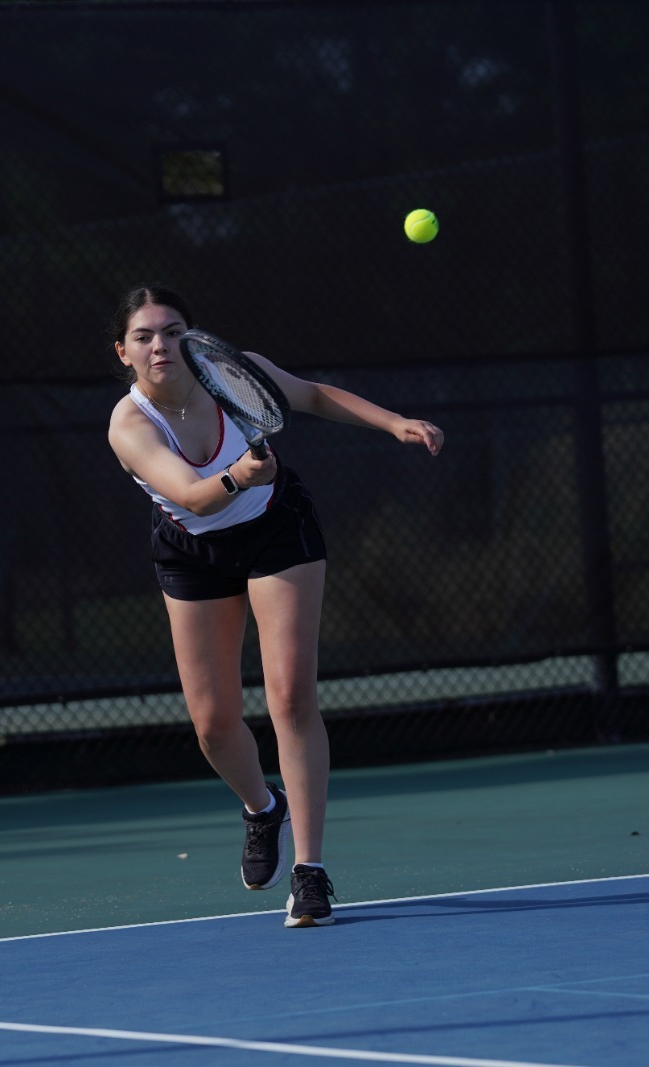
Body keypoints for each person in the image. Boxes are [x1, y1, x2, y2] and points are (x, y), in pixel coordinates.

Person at [106, 285, 444, 927]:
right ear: (123, 351)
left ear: (191, 337)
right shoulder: (129, 425)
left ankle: (310, 874)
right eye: (145, 336)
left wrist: (391, 422)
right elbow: (194, 496)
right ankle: (264, 807)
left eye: (173, 330)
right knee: (213, 726)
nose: (161, 345)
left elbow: (313, 394)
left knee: (291, 697)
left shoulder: (233, 371)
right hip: (191, 550)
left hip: (276, 530)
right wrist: (238, 475)